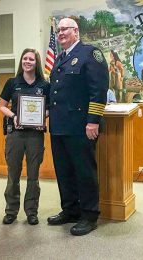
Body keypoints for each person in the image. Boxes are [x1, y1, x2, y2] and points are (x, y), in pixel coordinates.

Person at [47, 18, 109, 236]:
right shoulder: (60, 59)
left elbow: (98, 89)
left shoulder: (90, 54)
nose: (60, 33)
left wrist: (93, 120)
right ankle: (70, 210)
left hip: (80, 126)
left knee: (84, 172)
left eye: (64, 29)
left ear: (76, 31)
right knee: (64, 172)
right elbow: (56, 93)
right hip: (58, 127)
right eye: (58, 30)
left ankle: (90, 215)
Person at [0, 48, 49, 225]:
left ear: (37, 63)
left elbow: (48, 108)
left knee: (33, 175)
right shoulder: (12, 82)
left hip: (35, 135)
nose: (27, 62)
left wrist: (42, 116)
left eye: (31, 59)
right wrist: (14, 116)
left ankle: (31, 212)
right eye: (25, 59)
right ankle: (11, 210)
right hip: (16, 134)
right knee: (13, 174)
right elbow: (2, 106)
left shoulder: (44, 85)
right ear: (21, 61)